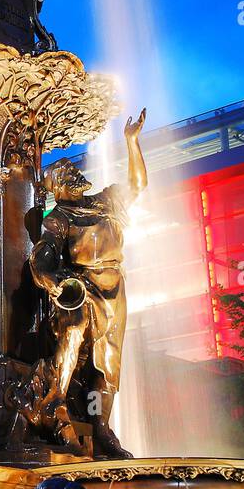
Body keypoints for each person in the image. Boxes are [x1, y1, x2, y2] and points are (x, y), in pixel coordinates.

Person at [19, 109, 148, 454]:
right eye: (66, 173)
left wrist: (131, 142)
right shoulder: (59, 218)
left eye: (73, 169)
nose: (75, 173)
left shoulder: (106, 202)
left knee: (111, 359)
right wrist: (53, 281)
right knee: (73, 331)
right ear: (56, 188)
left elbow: (137, 184)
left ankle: (102, 428)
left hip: (114, 287)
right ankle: (55, 402)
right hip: (81, 288)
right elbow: (42, 257)